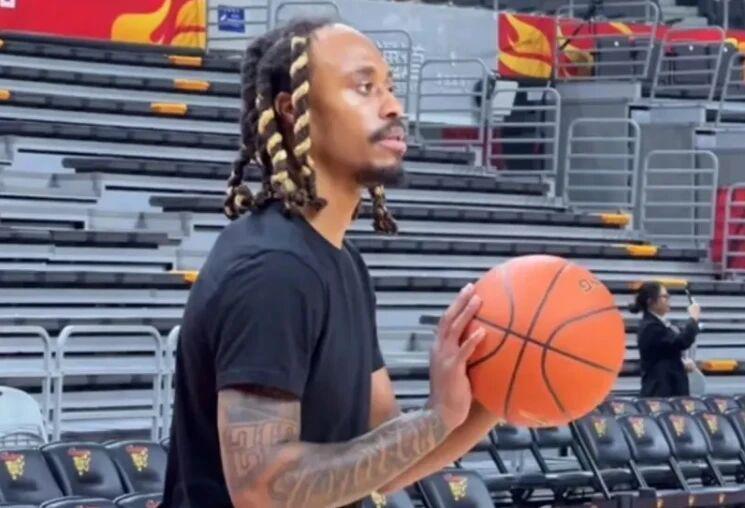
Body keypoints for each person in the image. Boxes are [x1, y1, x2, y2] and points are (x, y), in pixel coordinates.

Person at [161, 18, 499, 508]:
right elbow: (261, 488)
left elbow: (381, 458)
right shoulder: (273, 271)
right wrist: (437, 417)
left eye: (389, 87)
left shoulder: (342, 262)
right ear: (293, 110)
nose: (394, 106)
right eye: (364, 87)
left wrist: (500, 395)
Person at [630, 281, 701, 398]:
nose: (668, 300)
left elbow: (664, 353)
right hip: (660, 393)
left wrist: (680, 363)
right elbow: (681, 342)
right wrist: (693, 319)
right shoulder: (650, 327)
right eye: (664, 297)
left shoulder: (659, 324)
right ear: (650, 301)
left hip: (670, 390)